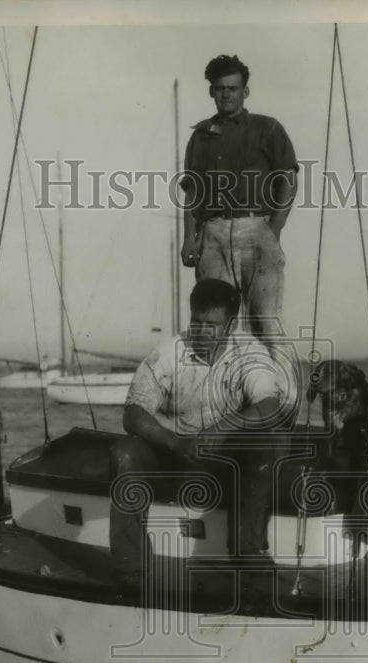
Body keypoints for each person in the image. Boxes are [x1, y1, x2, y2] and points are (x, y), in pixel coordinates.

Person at [109, 279, 282, 589]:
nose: (201, 332)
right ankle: (129, 569)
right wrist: (176, 442)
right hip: (174, 457)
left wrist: (224, 428)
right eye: (196, 322)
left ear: (230, 325)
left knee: (265, 440)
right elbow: (133, 414)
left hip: (226, 466)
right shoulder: (166, 354)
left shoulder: (251, 353)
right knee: (125, 451)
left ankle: (247, 552)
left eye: (212, 325)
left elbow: (269, 405)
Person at [179, 54, 298, 349]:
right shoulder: (200, 136)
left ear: (245, 91)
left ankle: (280, 393)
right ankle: (221, 392)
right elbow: (192, 192)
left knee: (265, 323)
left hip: (257, 229)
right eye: (220, 88)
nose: (226, 94)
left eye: (233, 88)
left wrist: (274, 229)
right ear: (211, 91)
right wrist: (189, 239)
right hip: (212, 235)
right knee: (214, 323)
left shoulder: (268, 128)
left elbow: (289, 179)